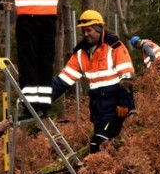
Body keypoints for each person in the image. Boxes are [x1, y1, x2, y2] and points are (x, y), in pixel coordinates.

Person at [51, 10, 136, 153]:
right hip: (98, 113)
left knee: (98, 144)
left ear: (99, 28)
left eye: (89, 30)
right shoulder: (80, 53)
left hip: (116, 111)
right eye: (83, 31)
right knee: (104, 147)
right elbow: (62, 82)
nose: (85, 34)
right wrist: (42, 100)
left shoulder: (114, 46)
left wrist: (124, 103)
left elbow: (126, 77)